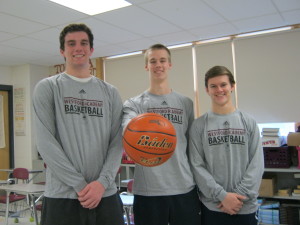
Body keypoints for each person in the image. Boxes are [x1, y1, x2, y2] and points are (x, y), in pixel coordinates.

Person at [32, 23, 124, 225]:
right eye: (71, 43)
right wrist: (80, 185)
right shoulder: (47, 87)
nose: (78, 48)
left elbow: (117, 142)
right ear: (62, 51)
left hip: (105, 194)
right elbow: (46, 144)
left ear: (91, 50)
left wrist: (101, 183)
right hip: (62, 197)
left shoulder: (110, 92)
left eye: (84, 43)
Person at [122, 44, 201, 225]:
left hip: (184, 188)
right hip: (149, 192)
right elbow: (128, 128)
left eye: (162, 60)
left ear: (170, 64)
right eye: (153, 61)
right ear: (146, 66)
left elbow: (192, 147)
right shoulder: (134, 104)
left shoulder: (186, 103)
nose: (158, 65)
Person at [189, 65, 264, 225]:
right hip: (214, 207)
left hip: (244, 206)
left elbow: (257, 164)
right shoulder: (198, 125)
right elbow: (197, 166)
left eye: (223, 84)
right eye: (213, 86)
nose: (219, 90)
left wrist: (236, 197)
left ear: (232, 86)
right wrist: (222, 196)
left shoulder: (248, 122)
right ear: (207, 90)